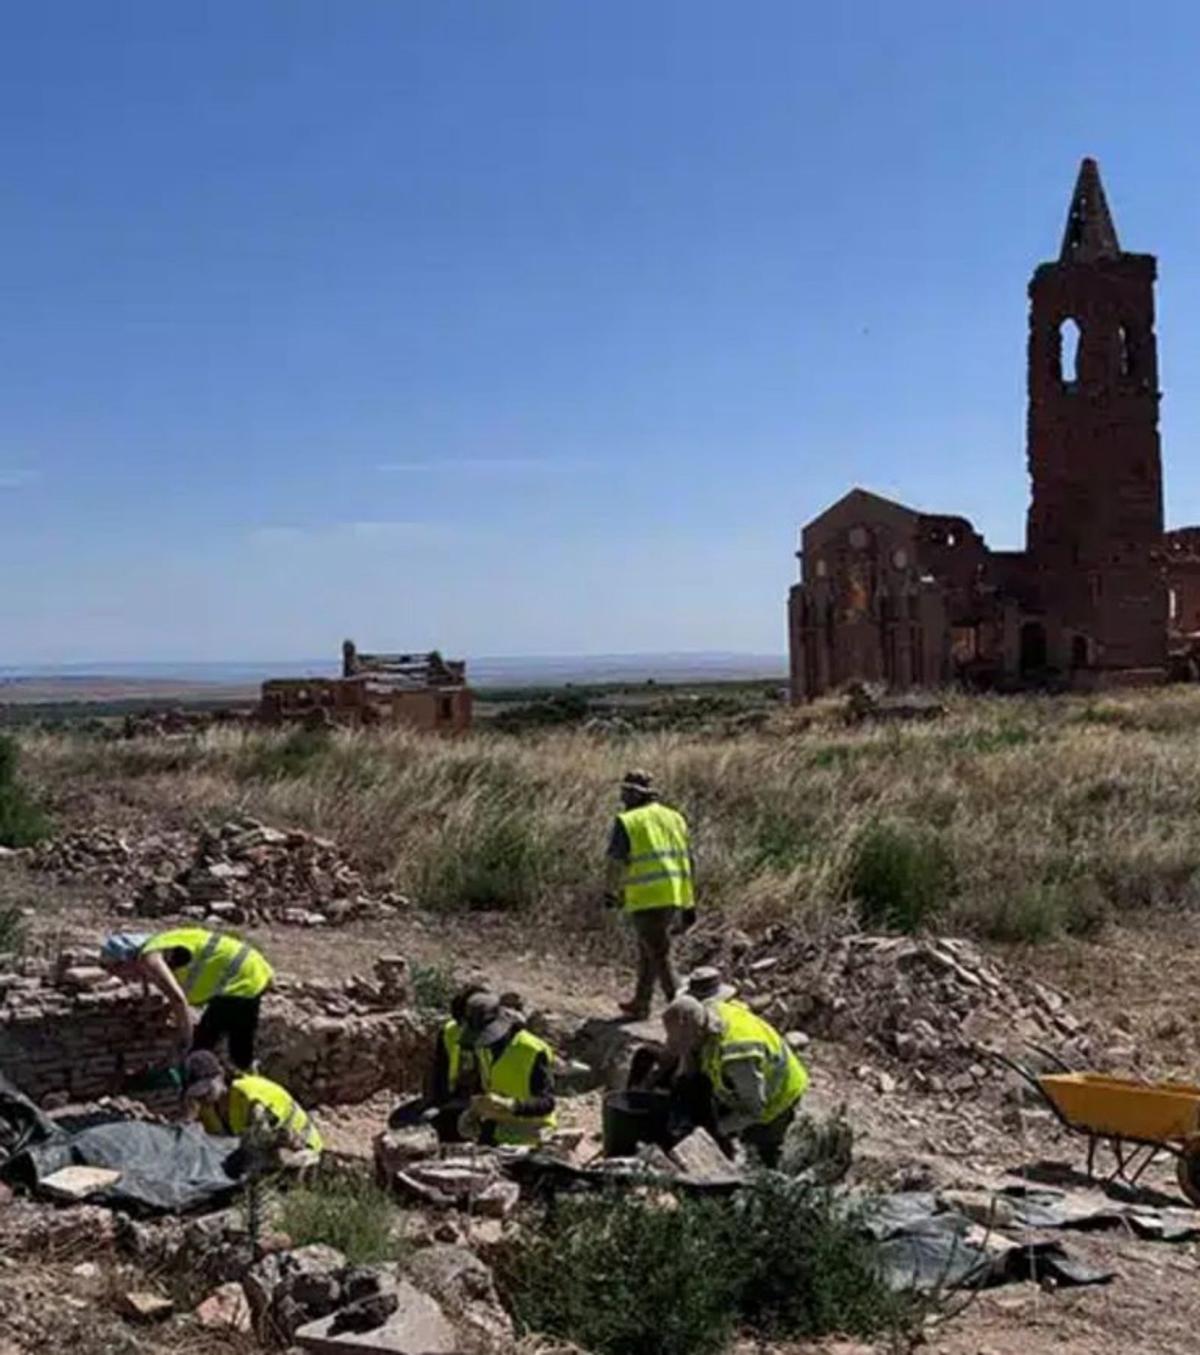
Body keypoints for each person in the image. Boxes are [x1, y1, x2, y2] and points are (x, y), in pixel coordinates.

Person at [661, 993, 808, 1167]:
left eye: (686, 1042)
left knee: (762, 1155)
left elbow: (754, 1111)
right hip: (749, 1082)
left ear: (700, 1033)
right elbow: (689, 1062)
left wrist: (713, 1132)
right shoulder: (708, 1011)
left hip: (778, 1095)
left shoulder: (738, 1056)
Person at [99, 928, 274, 1070]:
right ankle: (251, 1082)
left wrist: (185, 1039)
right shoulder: (159, 944)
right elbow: (172, 993)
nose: (125, 980)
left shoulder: (149, 958)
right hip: (253, 970)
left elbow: (177, 998)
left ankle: (198, 1101)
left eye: (118, 972)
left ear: (123, 960)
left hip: (238, 979)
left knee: (199, 1050)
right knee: (240, 1046)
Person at [603, 769, 696, 1020]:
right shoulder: (675, 818)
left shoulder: (628, 821)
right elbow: (687, 860)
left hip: (647, 896)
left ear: (635, 794)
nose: (622, 796)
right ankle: (641, 1002)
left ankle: (682, 1013)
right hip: (674, 893)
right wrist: (689, 902)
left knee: (659, 953)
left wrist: (611, 892)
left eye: (625, 792)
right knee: (649, 948)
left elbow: (615, 862)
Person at [181, 1049, 323, 1161]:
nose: (204, 1097)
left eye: (207, 1089)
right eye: (198, 1095)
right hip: (265, 1149)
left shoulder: (248, 1096)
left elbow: (264, 1142)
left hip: (302, 1148)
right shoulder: (209, 1108)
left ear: (220, 1075)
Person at [388, 980, 487, 1140]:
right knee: (401, 1119)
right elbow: (438, 1073)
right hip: (453, 1099)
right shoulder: (449, 1032)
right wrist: (433, 1104)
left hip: (486, 1106)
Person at [457, 992, 557, 1146]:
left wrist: (511, 1105)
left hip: (532, 1136)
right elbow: (483, 1086)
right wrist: (473, 1111)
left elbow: (547, 1103)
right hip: (496, 1132)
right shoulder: (482, 1049)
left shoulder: (532, 1050)